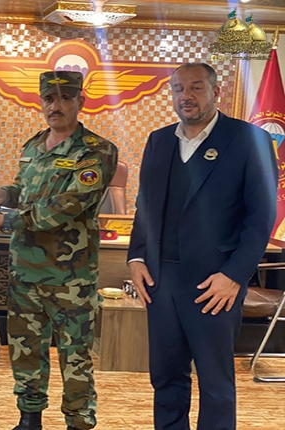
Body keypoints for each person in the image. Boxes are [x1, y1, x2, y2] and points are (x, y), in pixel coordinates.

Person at [0, 71, 118, 430]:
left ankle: (79, 422)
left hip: (70, 277)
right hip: (25, 271)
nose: (56, 105)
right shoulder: (34, 146)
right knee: (25, 349)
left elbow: (69, 205)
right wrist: (4, 193)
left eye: (65, 98)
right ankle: (29, 418)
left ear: (81, 101)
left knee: (75, 356)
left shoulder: (96, 151)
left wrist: (7, 220)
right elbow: (26, 189)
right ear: (41, 102)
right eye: (49, 98)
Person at [128, 62, 277, 430]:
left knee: (215, 384)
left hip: (215, 284)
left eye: (196, 87)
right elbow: (145, 205)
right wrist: (136, 255)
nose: (186, 96)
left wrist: (234, 276)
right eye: (179, 89)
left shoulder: (249, 140)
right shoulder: (159, 140)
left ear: (216, 92)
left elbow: (261, 218)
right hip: (161, 281)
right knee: (166, 377)